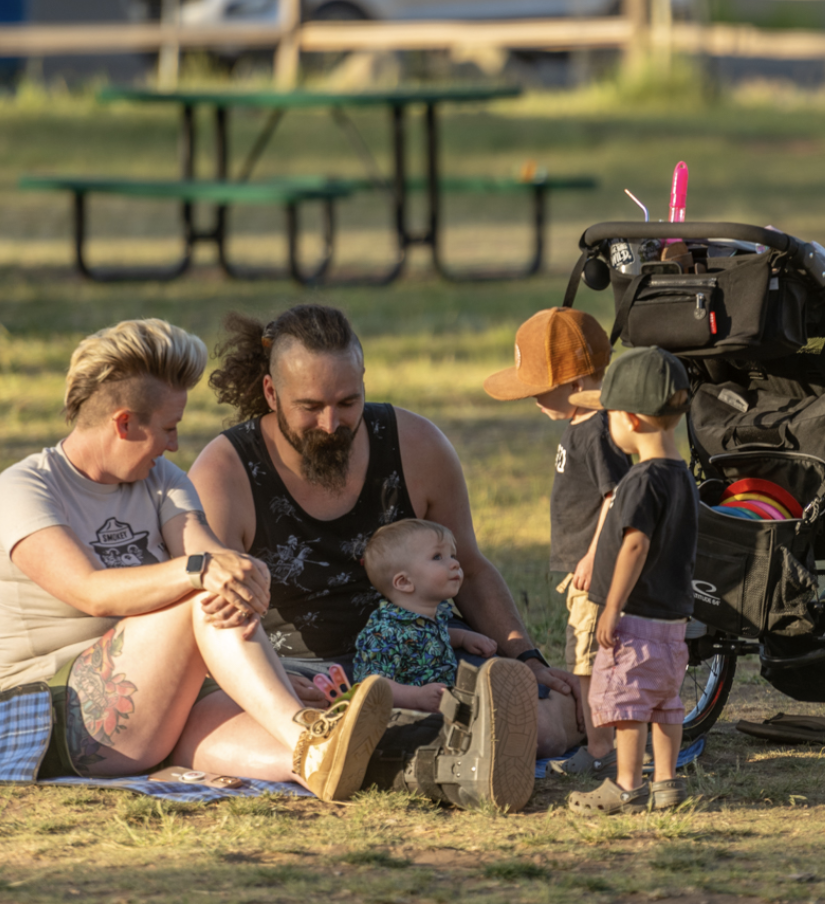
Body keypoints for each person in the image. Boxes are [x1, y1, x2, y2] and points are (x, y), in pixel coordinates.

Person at [0, 318, 392, 799]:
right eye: (168, 428)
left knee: (316, 743)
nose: (174, 446)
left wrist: (245, 588)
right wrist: (201, 572)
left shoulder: (163, 480)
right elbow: (90, 591)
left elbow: (205, 551)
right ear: (124, 423)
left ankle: (335, 751)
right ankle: (303, 729)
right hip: (58, 709)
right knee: (201, 593)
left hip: (158, 707)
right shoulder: (26, 487)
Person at [190, 303, 583, 762]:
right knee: (207, 734)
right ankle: (436, 750)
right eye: (310, 407)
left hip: (421, 652)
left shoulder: (417, 445)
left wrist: (527, 660)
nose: (331, 424)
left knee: (558, 719)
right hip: (303, 675)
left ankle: (412, 748)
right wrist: (270, 679)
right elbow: (213, 610)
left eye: (347, 402)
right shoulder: (225, 472)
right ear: (271, 393)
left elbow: (471, 570)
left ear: (363, 383)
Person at [482, 306, 625, 772]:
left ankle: (601, 749)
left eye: (539, 390)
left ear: (577, 384)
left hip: (594, 572)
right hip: (579, 573)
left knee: (588, 658)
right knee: (580, 654)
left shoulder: (600, 429)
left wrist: (592, 557)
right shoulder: (577, 424)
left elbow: (616, 496)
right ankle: (599, 737)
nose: (533, 400)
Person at [567, 348, 700, 816]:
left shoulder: (641, 480)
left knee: (628, 705)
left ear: (631, 419)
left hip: (636, 618)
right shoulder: (681, 474)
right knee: (665, 704)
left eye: (609, 417)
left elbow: (635, 546)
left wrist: (611, 606)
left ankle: (626, 785)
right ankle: (666, 782)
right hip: (672, 621)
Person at [355, 518, 503, 688]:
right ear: (404, 582)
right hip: (403, 712)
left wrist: (463, 638)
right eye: (437, 557)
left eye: (452, 556)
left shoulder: (431, 618)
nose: (455, 563)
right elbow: (373, 684)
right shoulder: (384, 633)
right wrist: (416, 698)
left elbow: (431, 637)